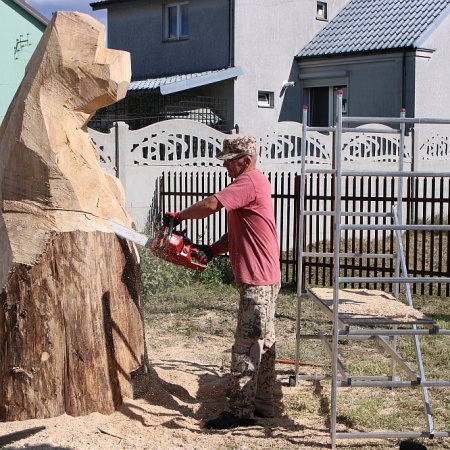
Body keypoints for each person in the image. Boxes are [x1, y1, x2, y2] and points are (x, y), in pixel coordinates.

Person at [163, 134, 281, 429]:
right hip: (264, 276)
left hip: (258, 279)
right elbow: (242, 233)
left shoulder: (249, 181)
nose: (226, 167)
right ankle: (264, 403)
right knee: (264, 342)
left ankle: (240, 412)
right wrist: (211, 249)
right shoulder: (254, 184)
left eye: (230, 162)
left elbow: (213, 204)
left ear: (246, 160)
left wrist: (178, 217)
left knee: (246, 344)